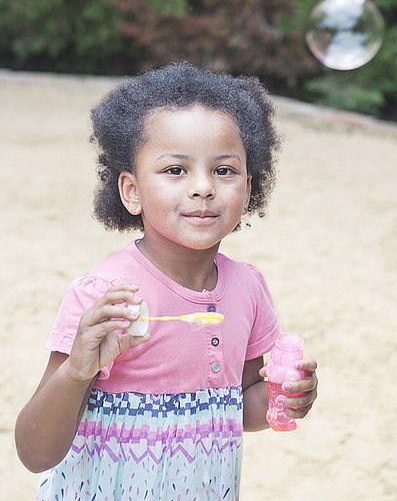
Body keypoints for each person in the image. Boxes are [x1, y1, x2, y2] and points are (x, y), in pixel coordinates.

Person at [15, 62, 318, 501]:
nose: (202, 188)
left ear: (248, 190)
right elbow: (34, 452)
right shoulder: (107, 296)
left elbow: (242, 408)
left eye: (225, 170)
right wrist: (78, 370)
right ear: (131, 191)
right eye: (176, 170)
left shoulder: (248, 288)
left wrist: (283, 397)